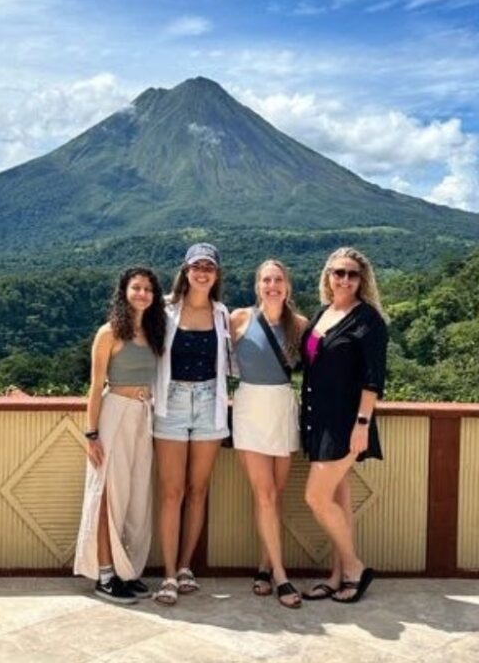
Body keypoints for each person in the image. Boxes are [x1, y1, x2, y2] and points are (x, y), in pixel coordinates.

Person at [299, 247, 389, 603]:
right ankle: (337, 577)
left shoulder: (369, 320)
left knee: (315, 497)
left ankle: (354, 568)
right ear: (328, 276)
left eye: (352, 274)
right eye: (339, 272)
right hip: (318, 419)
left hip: (346, 422)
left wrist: (362, 424)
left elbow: (373, 379)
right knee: (338, 497)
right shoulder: (322, 313)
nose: (345, 280)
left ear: (362, 280)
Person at [74, 267, 166, 603]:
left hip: (143, 416)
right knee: (107, 497)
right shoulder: (109, 333)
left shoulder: (154, 332)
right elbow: (96, 387)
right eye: (136, 288)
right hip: (115, 414)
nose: (142, 294)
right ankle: (105, 574)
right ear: (124, 292)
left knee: (134, 498)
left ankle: (126, 570)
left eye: (148, 289)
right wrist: (91, 433)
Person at [151, 243, 233, 605]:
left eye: (209, 268)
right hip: (171, 402)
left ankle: (185, 567)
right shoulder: (165, 310)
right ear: (185, 271)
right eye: (196, 266)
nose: (202, 273)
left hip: (210, 401)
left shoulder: (222, 314)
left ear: (216, 275)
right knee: (172, 492)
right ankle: (167, 574)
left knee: (198, 490)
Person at [230, 259, 308, 609]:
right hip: (250, 407)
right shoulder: (239, 319)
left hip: (282, 407)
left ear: (287, 285)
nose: (272, 285)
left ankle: (263, 565)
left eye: (278, 280)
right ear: (257, 285)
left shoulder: (301, 325)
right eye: (266, 280)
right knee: (263, 495)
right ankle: (280, 574)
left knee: (276, 494)